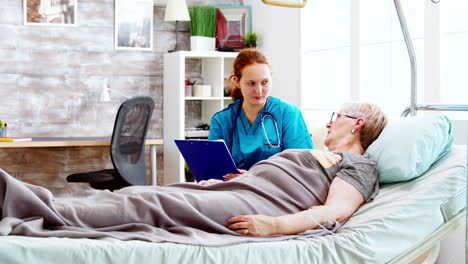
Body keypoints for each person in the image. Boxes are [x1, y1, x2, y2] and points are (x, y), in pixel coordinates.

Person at [0, 102, 386, 241]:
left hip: (255, 205)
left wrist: (272, 226)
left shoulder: (360, 165)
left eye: (338, 116)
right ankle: (25, 203)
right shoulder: (317, 152)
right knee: (142, 195)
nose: (330, 121)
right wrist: (235, 178)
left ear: (357, 125)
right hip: (239, 189)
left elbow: (335, 212)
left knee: (146, 207)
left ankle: (16, 200)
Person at [209, 48, 314, 180]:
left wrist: (253, 178)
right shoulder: (222, 120)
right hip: (233, 190)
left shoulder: (288, 114)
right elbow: (214, 171)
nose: (259, 91)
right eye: (251, 83)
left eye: (265, 82)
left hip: (278, 189)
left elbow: (303, 166)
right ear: (237, 81)